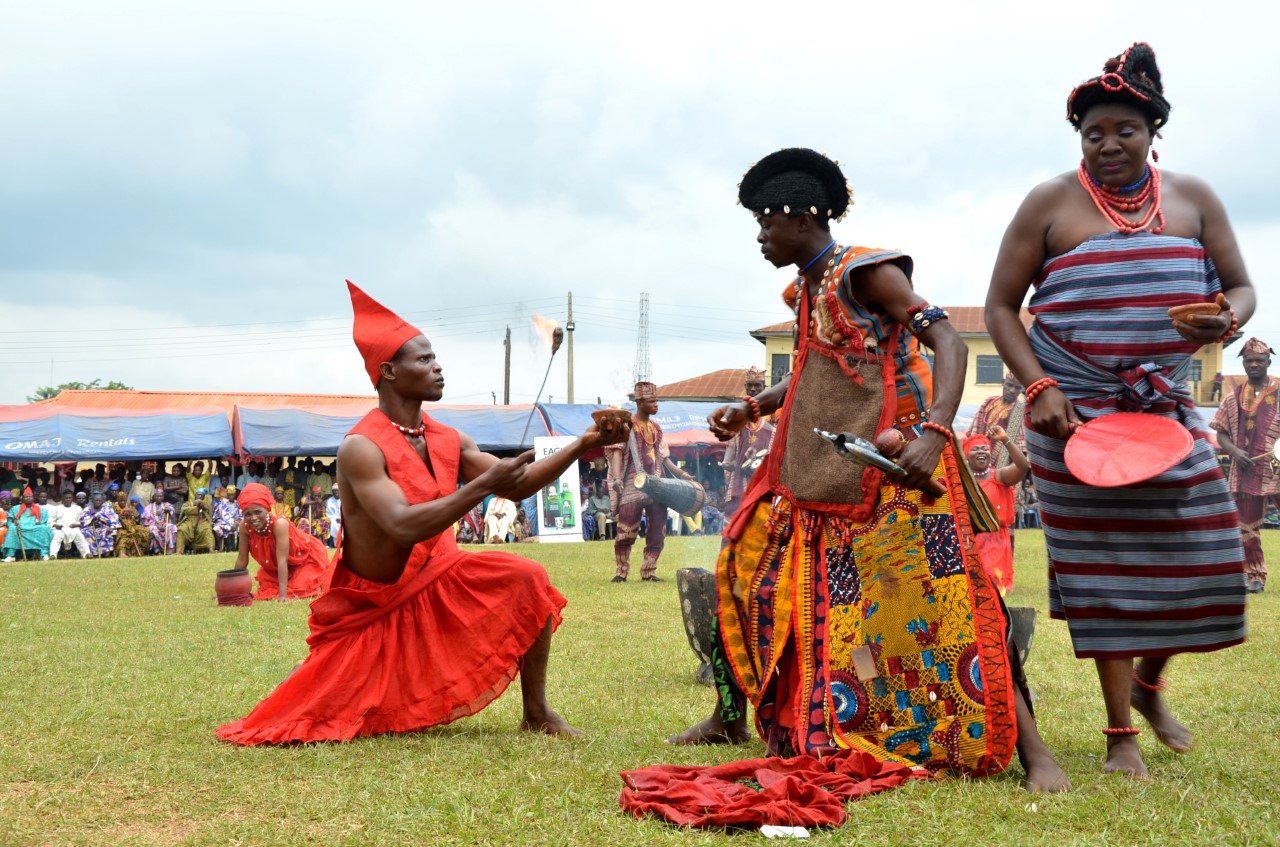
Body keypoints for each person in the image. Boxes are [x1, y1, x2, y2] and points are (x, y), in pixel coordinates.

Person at [653, 148, 1067, 808]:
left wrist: (935, 433)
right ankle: (733, 710)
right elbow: (820, 367)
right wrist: (755, 406)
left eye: (766, 223)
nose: (761, 236)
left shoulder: (866, 272)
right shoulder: (808, 289)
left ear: (801, 216)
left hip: (905, 469)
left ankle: (1034, 749)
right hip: (829, 472)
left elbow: (950, 344)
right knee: (747, 571)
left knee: (957, 605)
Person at [984, 43, 1251, 779]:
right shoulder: (1049, 203)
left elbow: (1242, 288)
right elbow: (1002, 307)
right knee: (1104, 574)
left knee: (1209, 554)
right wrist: (1038, 387)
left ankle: (1151, 683)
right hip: (1073, 417)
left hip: (1161, 410)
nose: (1107, 144)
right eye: (1092, 133)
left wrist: (1224, 317)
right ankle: (1118, 733)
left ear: (1153, 132)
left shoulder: (1194, 198)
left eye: (1123, 131)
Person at [217, 281, 626, 745]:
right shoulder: (360, 446)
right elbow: (400, 525)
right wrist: (483, 486)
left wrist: (583, 444)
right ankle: (316, 669)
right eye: (425, 359)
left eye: (435, 358)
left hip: (437, 570)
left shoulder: (447, 437)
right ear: (389, 371)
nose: (438, 367)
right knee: (318, 704)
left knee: (528, 576)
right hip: (374, 597)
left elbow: (518, 483)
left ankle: (537, 712)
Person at [607, 382, 694, 582]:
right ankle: (621, 572)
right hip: (632, 483)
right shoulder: (626, 425)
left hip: (656, 484)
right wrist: (618, 478)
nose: (656, 405)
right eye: (651, 401)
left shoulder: (657, 428)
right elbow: (617, 452)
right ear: (639, 402)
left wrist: (681, 475)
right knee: (626, 530)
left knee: (658, 529)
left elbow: (664, 458)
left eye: (657, 400)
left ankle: (649, 571)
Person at [1211, 337, 1277, 593]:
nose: (1254, 364)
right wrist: (1235, 451)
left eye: (1259, 360)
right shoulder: (1232, 397)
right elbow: (1220, 433)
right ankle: (1254, 576)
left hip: (1278, 469)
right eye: (1249, 360)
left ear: (1268, 362)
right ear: (1244, 363)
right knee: (1247, 526)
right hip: (1247, 470)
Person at [231, 483, 333, 601]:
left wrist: (283, 596)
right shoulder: (245, 526)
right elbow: (242, 559)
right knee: (268, 589)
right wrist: (233, 592)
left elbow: (282, 560)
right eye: (247, 514)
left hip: (305, 560)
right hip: (278, 568)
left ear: (267, 509)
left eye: (258, 512)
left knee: (299, 589)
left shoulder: (279, 524)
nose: (253, 518)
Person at [964, 426, 1029, 594]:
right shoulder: (960, 482)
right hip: (967, 539)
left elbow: (1022, 467)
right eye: (975, 449)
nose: (981, 452)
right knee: (969, 585)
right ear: (966, 456)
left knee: (992, 583)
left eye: (985, 448)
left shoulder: (999, 476)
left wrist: (1005, 440)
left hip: (995, 540)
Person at [720, 366, 775, 516]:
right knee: (736, 517)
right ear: (745, 388)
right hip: (740, 480)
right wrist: (730, 465)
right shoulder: (737, 417)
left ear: (764, 388)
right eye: (749, 386)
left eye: (757, 386)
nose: (753, 389)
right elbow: (729, 455)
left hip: (765, 481)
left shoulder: (773, 416)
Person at [966, 371, 1027, 468]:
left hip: (1002, 466)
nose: (1012, 390)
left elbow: (1021, 448)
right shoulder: (989, 401)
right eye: (1009, 385)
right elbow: (973, 430)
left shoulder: (1020, 410)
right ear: (1003, 382)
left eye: (1017, 388)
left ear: (1022, 389)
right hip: (977, 458)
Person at [1, 488, 53, 561]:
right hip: (19, 527)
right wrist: (15, 524)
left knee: (44, 528)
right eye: (26, 496)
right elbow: (10, 521)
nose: (28, 498)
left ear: (33, 498)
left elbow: (43, 522)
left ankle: (44, 554)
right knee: (12, 528)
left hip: (34, 527)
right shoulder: (15, 508)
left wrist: (39, 523)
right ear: (23, 498)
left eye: (30, 496)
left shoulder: (41, 510)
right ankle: (10, 555)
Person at [48, 490, 91, 559]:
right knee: (57, 536)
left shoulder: (78, 508)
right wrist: (57, 525)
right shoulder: (56, 508)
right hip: (60, 529)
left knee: (79, 535)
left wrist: (76, 525)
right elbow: (50, 521)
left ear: (72, 498)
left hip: (74, 528)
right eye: (66, 498)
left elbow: (82, 521)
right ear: (63, 499)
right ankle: (53, 555)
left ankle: (87, 553)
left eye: (70, 498)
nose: (68, 499)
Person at [80, 493, 120, 557]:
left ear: (102, 501)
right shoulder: (87, 509)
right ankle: (91, 553)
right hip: (91, 528)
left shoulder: (107, 509)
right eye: (96, 500)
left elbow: (114, 519)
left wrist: (111, 526)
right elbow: (82, 520)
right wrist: (92, 519)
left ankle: (106, 552)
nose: (98, 502)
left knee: (108, 532)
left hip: (104, 527)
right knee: (85, 532)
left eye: (100, 500)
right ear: (92, 501)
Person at [176, 488, 215, 554]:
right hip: (189, 522)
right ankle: (179, 551)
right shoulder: (187, 503)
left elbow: (208, 510)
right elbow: (185, 510)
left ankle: (211, 549)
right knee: (181, 529)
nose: (199, 496)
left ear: (203, 497)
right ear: (195, 495)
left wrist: (201, 504)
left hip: (202, 522)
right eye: (198, 495)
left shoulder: (206, 504)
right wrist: (196, 508)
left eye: (201, 495)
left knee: (207, 530)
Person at [141, 491, 177, 555]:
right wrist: (157, 526)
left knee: (173, 527)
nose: (159, 497)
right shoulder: (149, 507)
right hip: (153, 525)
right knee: (154, 530)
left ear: (163, 497)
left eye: (161, 496)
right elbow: (145, 520)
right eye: (158, 496)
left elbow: (172, 510)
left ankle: (170, 550)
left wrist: (168, 511)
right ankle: (157, 550)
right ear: (154, 497)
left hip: (165, 524)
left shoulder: (167, 504)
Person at [213, 485, 242, 553]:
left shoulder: (239, 504)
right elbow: (216, 516)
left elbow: (241, 517)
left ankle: (238, 548)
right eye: (229, 495)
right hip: (224, 523)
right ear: (227, 494)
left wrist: (236, 523)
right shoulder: (221, 503)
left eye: (233, 495)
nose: (231, 496)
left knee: (242, 528)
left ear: (235, 495)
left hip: (236, 523)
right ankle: (221, 547)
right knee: (216, 527)